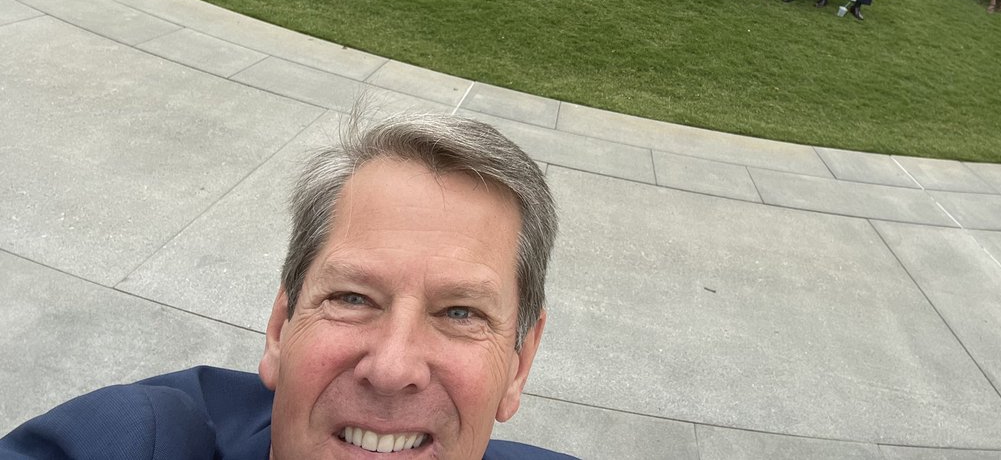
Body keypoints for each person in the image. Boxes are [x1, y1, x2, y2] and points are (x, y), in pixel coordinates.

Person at [0, 115, 573, 460]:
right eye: (353, 298)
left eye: (460, 313)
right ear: (279, 328)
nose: (393, 368)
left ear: (519, 364)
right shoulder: (139, 440)